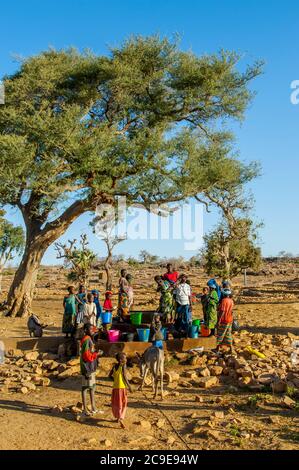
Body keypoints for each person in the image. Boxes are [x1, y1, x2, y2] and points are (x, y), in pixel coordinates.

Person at [80, 323, 103, 416]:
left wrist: (95, 353)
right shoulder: (86, 340)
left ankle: (93, 407)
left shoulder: (89, 339)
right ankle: (85, 410)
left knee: (92, 387)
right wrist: (97, 354)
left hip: (90, 367)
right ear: (85, 330)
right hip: (87, 367)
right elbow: (86, 356)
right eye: (90, 329)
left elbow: (89, 353)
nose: (92, 331)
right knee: (85, 388)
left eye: (93, 329)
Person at [109, 352, 132, 429]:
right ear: (120, 359)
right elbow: (125, 377)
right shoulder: (123, 366)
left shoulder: (114, 366)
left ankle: (118, 417)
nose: (126, 359)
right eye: (124, 358)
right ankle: (121, 418)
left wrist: (115, 380)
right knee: (123, 403)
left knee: (117, 403)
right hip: (122, 388)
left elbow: (109, 376)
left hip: (115, 388)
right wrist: (129, 386)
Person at [216, 289, 235, 355]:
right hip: (230, 320)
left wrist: (218, 320)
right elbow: (232, 311)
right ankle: (231, 349)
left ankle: (217, 348)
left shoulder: (224, 301)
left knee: (220, 334)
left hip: (224, 320)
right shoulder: (231, 301)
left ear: (223, 294)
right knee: (228, 334)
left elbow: (222, 311)